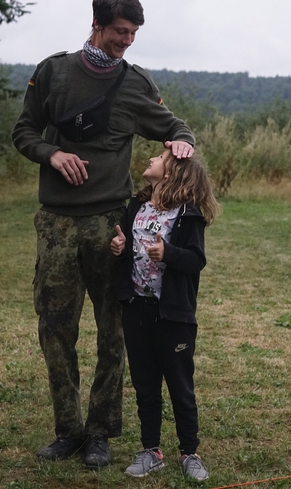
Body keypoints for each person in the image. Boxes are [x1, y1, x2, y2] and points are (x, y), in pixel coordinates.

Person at [10, 0, 195, 469]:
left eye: (133, 33)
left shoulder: (135, 84)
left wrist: (182, 144)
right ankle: (67, 430)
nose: (127, 41)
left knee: (114, 330)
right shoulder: (53, 72)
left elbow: (176, 128)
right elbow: (23, 131)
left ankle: (99, 433)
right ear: (97, 24)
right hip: (56, 223)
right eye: (120, 31)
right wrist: (52, 153)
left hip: (113, 224)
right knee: (55, 328)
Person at [110, 149, 221, 481]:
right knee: (145, 385)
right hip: (136, 309)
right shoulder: (136, 206)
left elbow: (195, 260)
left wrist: (167, 252)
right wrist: (120, 246)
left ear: (171, 173)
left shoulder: (187, 214)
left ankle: (190, 453)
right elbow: (130, 250)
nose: (151, 159)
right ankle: (151, 451)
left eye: (159, 157)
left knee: (180, 387)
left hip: (173, 316)